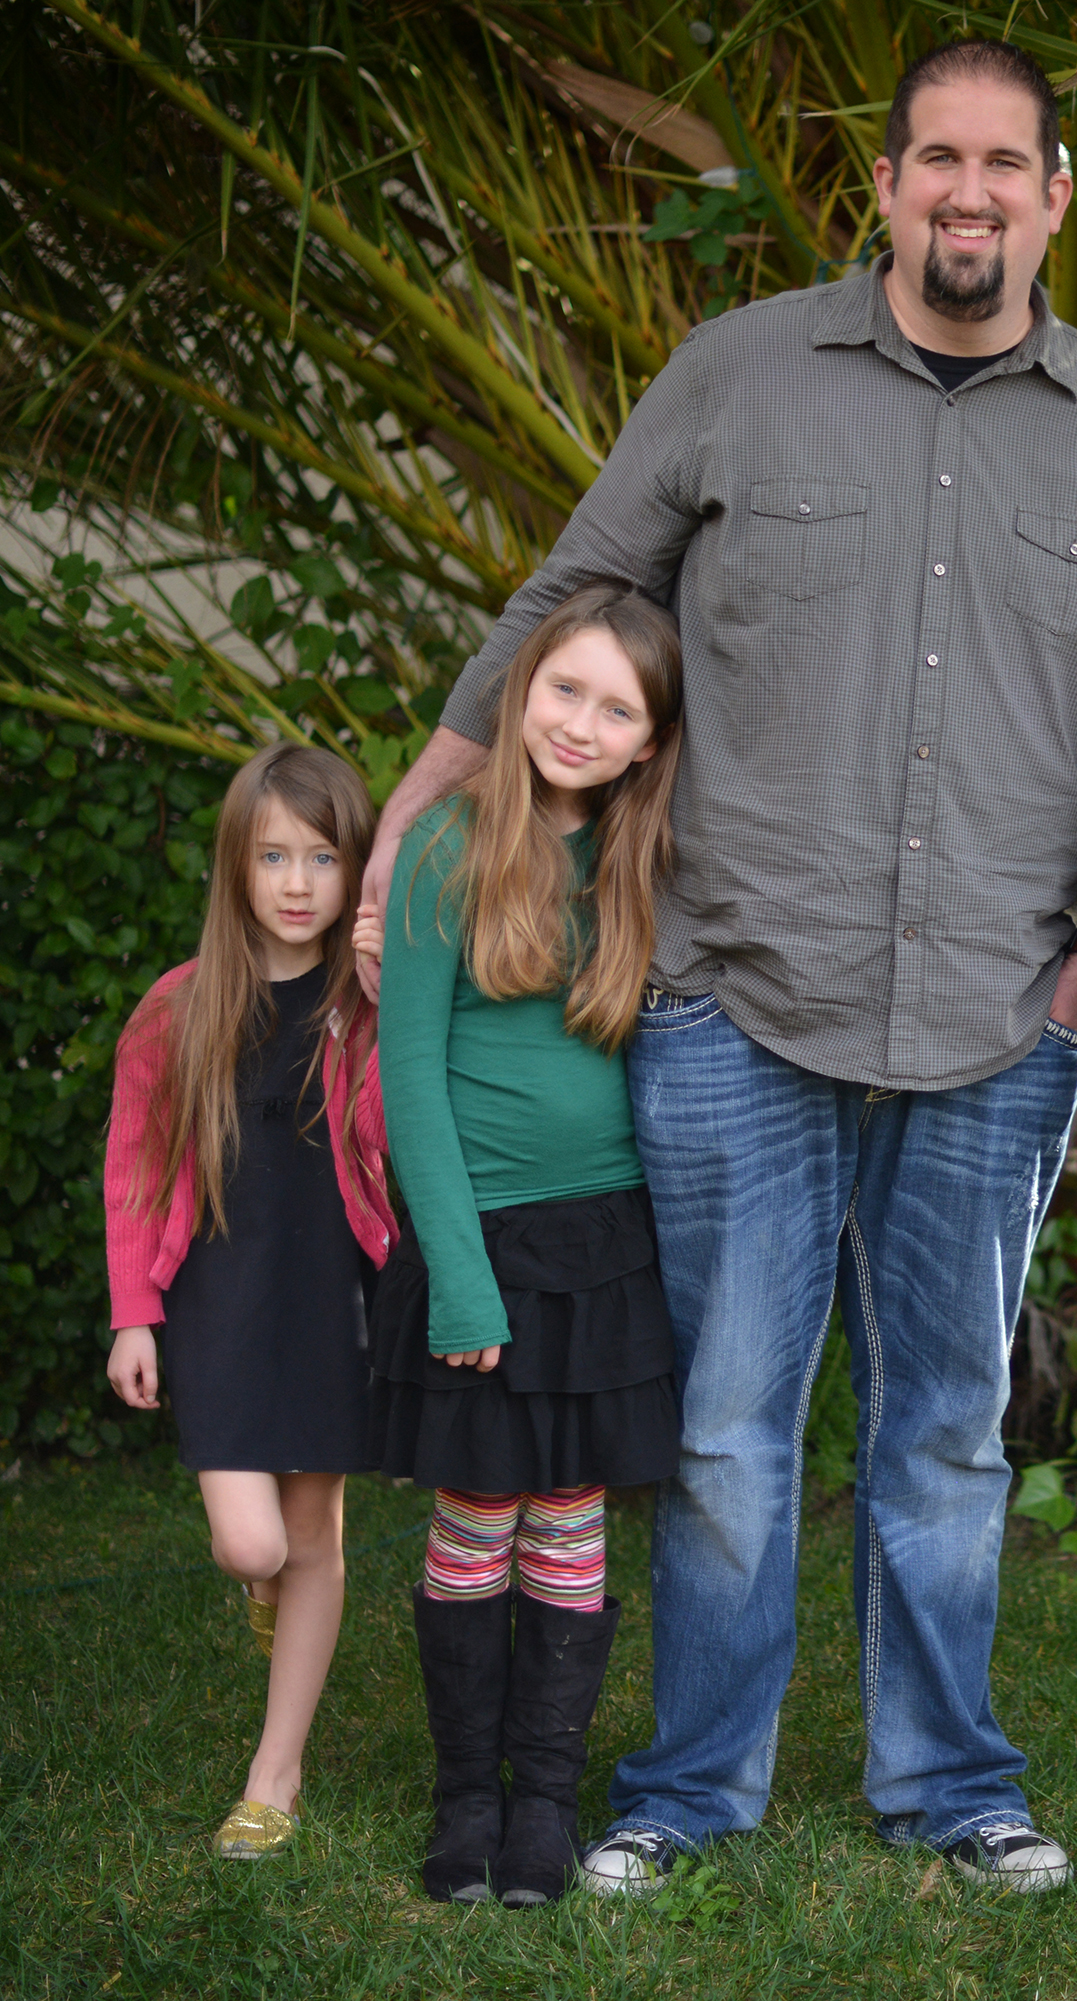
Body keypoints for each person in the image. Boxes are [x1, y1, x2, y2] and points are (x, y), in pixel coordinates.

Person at [356, 40, 1077, 1894]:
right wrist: (415, 811)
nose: (968, 194)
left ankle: (953, 1780)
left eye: (1006, 167)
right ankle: (687, 1788)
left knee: (949, 1432)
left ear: (1056, 198)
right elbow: (575, 591)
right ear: (884, 185)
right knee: (732, 1430)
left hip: (995, 1018)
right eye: (936, 163)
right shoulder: (740, 374)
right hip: (738, 993)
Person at [364, 582, 685, 1908]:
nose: (582, 721)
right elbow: (410, 1078)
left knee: (567, 1515)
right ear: (520, 691)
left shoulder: (643, 863)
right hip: (477, 1235)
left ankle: (545, 1801)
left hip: (604, 1242)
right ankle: (464, 1801)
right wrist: (456, 1271)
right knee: (478, 1507)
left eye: (618, 707)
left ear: (650, 743)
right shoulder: (448, 844)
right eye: (565, 689)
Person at [102, 743, 392, 1861]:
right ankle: (270, 1593)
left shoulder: (363, 1006)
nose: (297, 881)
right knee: (249, 1543)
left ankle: (275, 1777)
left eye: (323, 856)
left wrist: (384, 990)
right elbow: (136, 1166)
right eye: (273, 855)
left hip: (332, 1294)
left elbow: (399, 1131)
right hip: (220, 1295)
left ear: (353, 868)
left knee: (312, 1530)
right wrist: (136, 1310)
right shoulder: (181, 1008)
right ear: (236, 864)